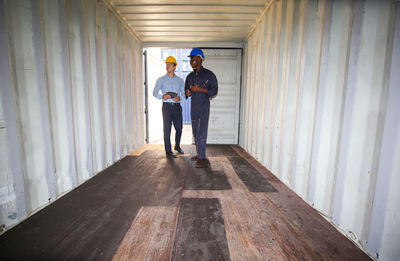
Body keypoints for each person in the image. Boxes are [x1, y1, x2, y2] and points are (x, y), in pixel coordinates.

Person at [185, 48, 218, 168]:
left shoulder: (209, 74)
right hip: (194, 107)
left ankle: (201, 157)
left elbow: (214, 90)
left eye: (194, 58)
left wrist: (201, 90)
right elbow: (186, 90)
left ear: (200, 58)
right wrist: (187, 92)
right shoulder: (189, 76)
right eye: (190, 59)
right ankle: (200, 154)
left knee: (201, 132)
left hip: (204, 107)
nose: (191, 60)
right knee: (195, 131)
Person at [153, 56, 185, 158]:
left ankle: (177, 146)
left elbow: (184, 94)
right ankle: (168, 151)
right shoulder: (161, 80)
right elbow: (154, 92)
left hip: (176, 107)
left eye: (170, 64)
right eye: (166, 64)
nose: (167, 66)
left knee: (179, 128)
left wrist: (179, 98)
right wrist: (162, 96)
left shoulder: (180, 80)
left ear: (175, 66)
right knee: (167, 129)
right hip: (166, 107)